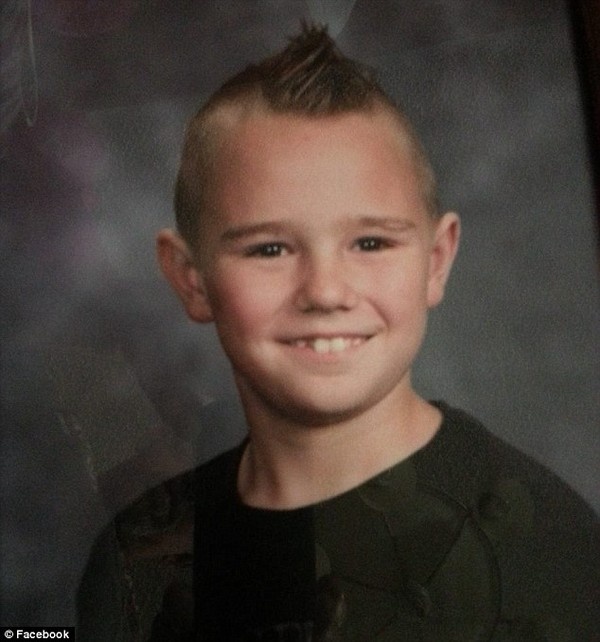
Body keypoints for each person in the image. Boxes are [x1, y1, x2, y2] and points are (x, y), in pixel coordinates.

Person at [155, 24, 599, 641]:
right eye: (270, 248)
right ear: (191, 279)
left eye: (370, 243)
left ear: (436, 261)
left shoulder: (546, 559)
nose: (325, 292)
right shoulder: (141, 562)